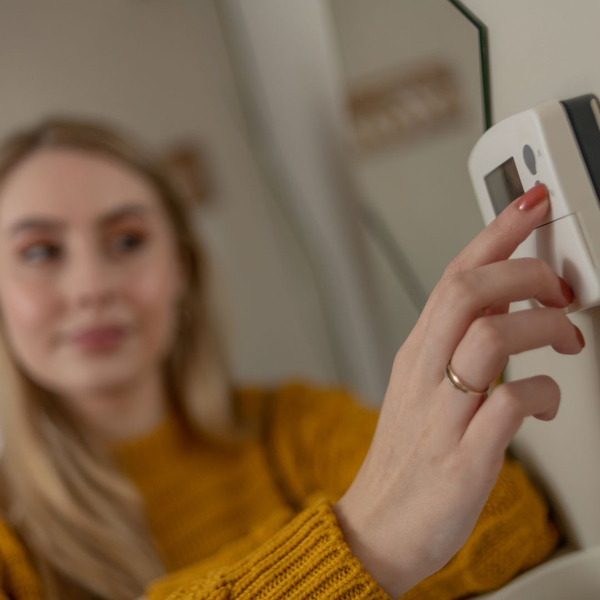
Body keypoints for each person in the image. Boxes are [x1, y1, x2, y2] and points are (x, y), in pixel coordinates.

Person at [0, 116, 569, 600]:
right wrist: (360, 537)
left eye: (127, 241)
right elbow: (420, 523)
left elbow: (505, 523)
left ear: (182, 268)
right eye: (40, 251)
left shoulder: (289, 426)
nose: (92, 287)